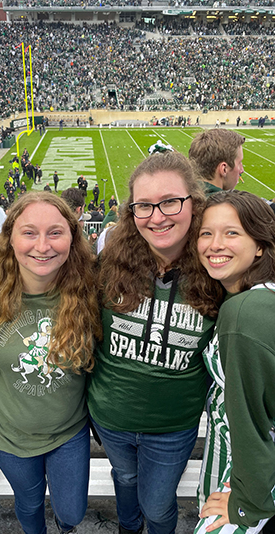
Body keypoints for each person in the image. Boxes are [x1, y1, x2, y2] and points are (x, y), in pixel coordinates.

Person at [87, 151, 223, 534]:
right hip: (110, 417)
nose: (157, 216)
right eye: (143, 206)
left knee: (159, 507)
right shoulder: (109, 262)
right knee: (125, 480)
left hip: (172, 426)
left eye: (170, 202)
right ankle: (128, 528)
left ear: (194, 204)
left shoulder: (218, 268)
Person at [0, 192, 102, 534]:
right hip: (6, 434)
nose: (42, 246)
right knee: (28, 504)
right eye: (29, 232)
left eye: (55, 233)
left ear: (73, 238)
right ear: (9, 238)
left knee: (72, 513)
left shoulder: (93, 290)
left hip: (68, 432)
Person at [195, 190, 275, 534]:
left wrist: (246, 504)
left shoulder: (243, 312)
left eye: (232, 233)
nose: (215, 244)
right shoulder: (254, 296)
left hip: (250, 473)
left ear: (260, 244)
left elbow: (253, 419)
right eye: (206, 233)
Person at [189, 129, 245, 195]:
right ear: (224, 169)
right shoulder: (223, 204)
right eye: (239, 163)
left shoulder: (181, 196)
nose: (242, 170)